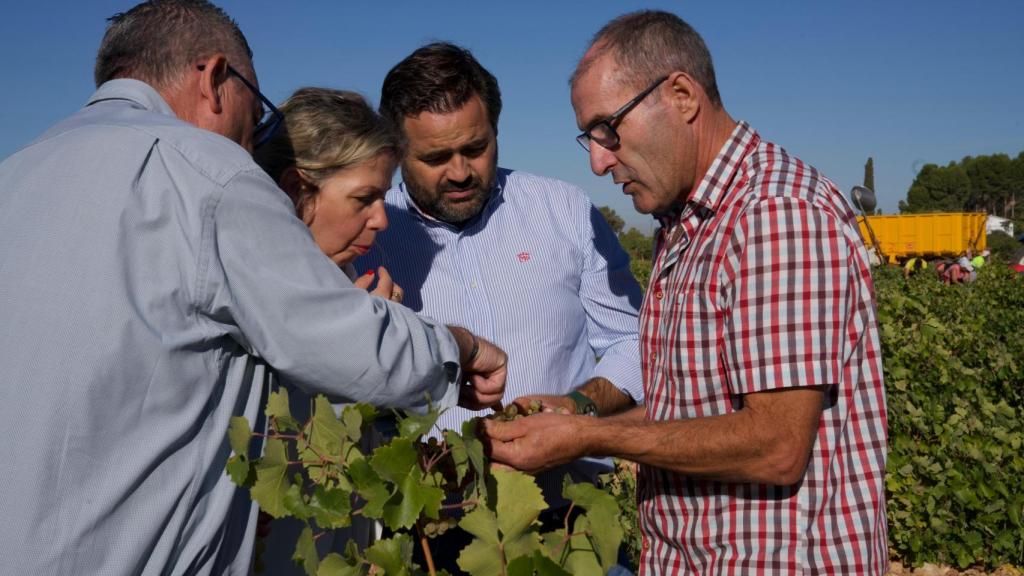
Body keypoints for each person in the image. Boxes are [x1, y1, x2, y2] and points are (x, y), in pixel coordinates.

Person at [0, 2, 506, 575]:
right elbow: (351, 348)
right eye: (256, 104)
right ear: (216, 79)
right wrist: (458, 346)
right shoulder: (207, 173)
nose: (255, 135)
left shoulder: (18, 172)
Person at [485, 10, 888, 575]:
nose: (599, 160)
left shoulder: (774, 215)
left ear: (680, 95)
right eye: (590, 138)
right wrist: (576, 420)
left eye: (608, 128)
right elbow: (692, 413)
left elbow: (775, 445)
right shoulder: (691, 224)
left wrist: (587, 436)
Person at [356, 42, 644, 566]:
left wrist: (578, 409)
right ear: (395, 151)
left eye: (477, 147)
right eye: (436, 157)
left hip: (571, 528)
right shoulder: (368, 237)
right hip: (429, 534)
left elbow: (635, 340)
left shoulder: (564, 210)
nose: (462, 171)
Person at [251, 87, 408, 573]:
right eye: (365, 199)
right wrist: (367, 345)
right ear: (298, 189)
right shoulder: (248, 294)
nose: (382, 219)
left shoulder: (342, 279)